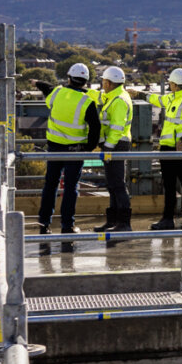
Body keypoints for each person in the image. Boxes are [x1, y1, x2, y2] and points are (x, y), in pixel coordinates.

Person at [36, 63, 99, 235]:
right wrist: (89, 148)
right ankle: (67, 226)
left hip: (54, 147)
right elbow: (95, 127)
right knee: (71, 187)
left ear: (69, 78)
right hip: (75, 150)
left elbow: (46, 88)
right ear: (85, 82)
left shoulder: (57, 93)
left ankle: (44, 223)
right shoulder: (88, 102)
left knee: (51, 184)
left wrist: (36, 83)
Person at [150, 68, 182, 231]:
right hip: (167, 149)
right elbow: (158, 100)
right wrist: (138, 95)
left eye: (171, 83)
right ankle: (168, 218)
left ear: (176, 85)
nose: (169, 86)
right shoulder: (173, 98)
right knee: (170, 184)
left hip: (178, 150)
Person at [94, 66, 134, 232]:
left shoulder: (118, 100)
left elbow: (117, 127)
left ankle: (124, 223)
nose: (102, 84)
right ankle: (112, 221)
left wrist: (108, 148)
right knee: (112, 184)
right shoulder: (113, 97)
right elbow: (98, 96)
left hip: (116, 144)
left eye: (104, 81)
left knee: (117, 184)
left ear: (109, 83)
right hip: (113, 144)